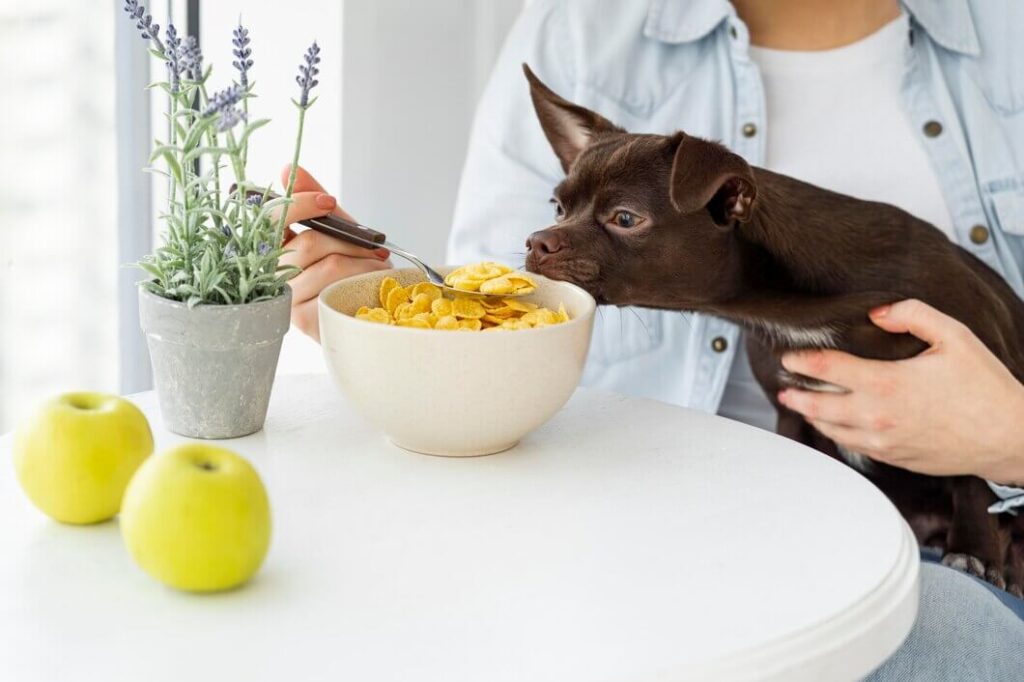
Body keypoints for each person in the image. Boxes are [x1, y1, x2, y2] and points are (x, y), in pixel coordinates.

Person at [278, 0, 1024, 676]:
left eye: (622, 219)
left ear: (732, 202)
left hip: (961, 552)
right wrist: (377, 317)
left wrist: (1006, 437)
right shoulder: (582, 30)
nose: (546, 241)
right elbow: (492, 321)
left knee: (936, 632)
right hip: (638, 535)